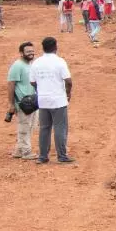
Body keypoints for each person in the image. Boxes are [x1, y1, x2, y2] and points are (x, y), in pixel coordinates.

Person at [29, 36, 75, 165]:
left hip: (43, 100)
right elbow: (68, 81)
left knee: (44, 128)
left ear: (43, 48)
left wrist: (41, 89)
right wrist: (68, 93)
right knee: (60, 127)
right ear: (55, 47)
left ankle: (43, 156)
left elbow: (32, 81)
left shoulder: (36, 62)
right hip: (58, 100)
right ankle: (62, 155)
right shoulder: (60, 62)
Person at [6, 41, 38, 160]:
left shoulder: (30, 64)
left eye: (32, 51)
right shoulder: (17, 66)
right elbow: (10, 84)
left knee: (29, 126)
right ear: (21, 53)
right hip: (22, 102)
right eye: (28, 51)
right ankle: (26, 152)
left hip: (32, 102)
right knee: (25, 127)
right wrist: (11, 104)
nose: (31, 53)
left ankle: (19, 150)